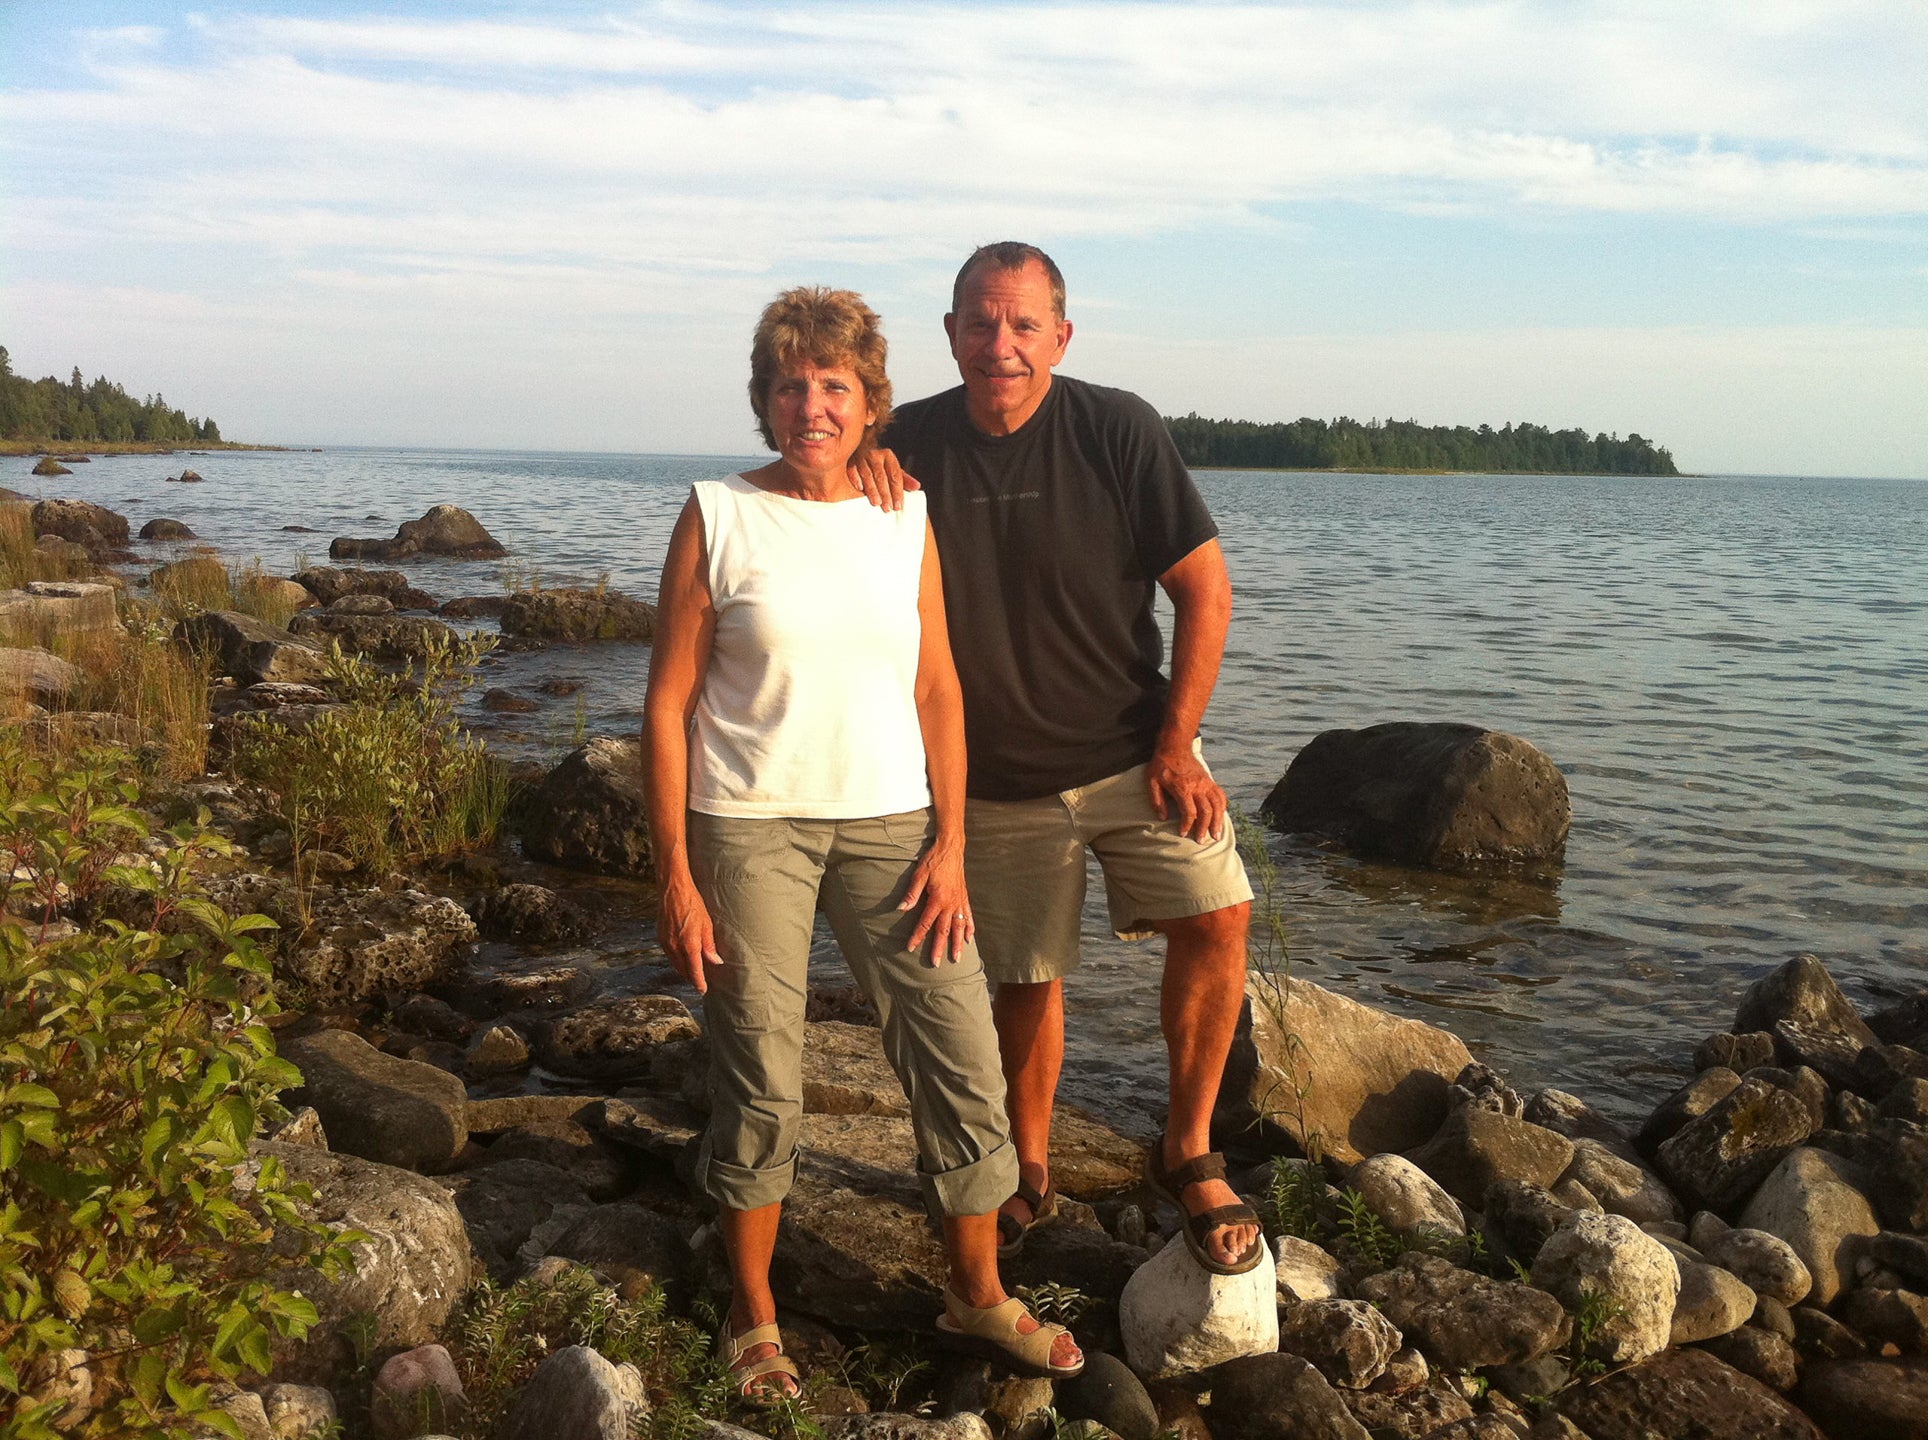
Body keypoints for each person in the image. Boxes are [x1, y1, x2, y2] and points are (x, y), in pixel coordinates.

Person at [643, 286, 1084, 1401]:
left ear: (867, 402)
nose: (810, 405)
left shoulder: (903, 512)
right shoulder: (716, 515)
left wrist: (948, 844)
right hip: (747, 825)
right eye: (789, 384)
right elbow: (666, 706)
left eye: (833, 385)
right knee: (759, 1066)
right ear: (764, 398)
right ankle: (752, 1313)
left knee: (958, 1050)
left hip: (894, 824)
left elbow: (939, 688)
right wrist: (677, 879)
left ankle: (974, 1293)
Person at [855, 244, 1264, 1276]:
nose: (1001, 345)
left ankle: (1188, 1146)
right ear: (948, 335)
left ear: (1059, 337)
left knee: (1218, 914)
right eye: (980, 324)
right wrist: (857, 456)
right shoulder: (903, 446)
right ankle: (1027, 1167)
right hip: (992, 777)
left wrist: (1178, 742)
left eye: (1022, 325)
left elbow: (1204, 592)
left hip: (1135, 751)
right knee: (1025, 978)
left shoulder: (1114, 429)